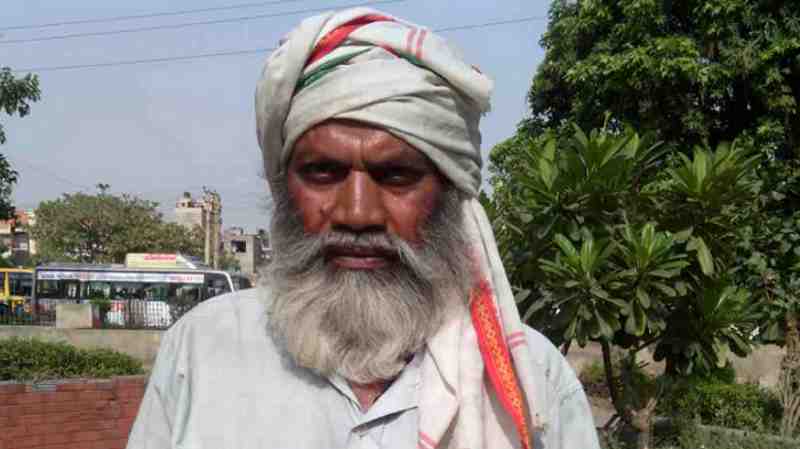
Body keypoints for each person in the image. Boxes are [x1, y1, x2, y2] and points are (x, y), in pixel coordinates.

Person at [127, 8, 600, 449]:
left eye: (396, 176)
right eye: (323, 173)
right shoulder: (202, 351)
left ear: (448, 194)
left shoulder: (534, 382)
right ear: (284, 187)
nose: (357, 213)